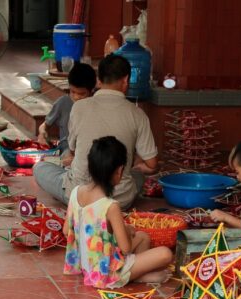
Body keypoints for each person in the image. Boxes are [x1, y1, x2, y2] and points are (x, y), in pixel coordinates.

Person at [35, 54, 159, 210]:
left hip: (80, 196)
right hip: (120, 199)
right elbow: (152, 165)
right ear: (126, 80)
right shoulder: (138, 114)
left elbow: (72, 151)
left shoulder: (79, 108)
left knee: (40, 168)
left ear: (99, 80)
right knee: (137, 177)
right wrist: (134, 168)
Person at [63, 136, 172, 288]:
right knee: (165, 253)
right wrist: (126, 230)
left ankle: (137, 274)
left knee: (143, 237)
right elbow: (125, 248)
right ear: (119, 171)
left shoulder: (75, 193)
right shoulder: (110, 206)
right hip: (106, 272)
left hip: (86, 264)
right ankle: (135, 277)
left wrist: (121, 230)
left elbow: (66, 230)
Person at [37, 62, 96, 154]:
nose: (76, 97)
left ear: (92, 90)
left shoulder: (96, 104)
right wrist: (42, 133)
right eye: (73, 92)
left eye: (81, 94)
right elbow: (44, 125)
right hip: (67, 150)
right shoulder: (63, 102)